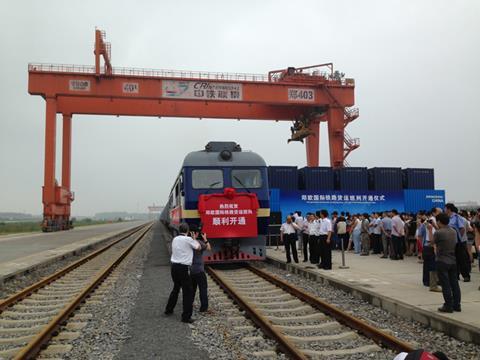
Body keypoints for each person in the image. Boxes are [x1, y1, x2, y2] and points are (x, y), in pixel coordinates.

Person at [165, 222, 201, 323]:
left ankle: (168, 309)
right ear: (188, 231)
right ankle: (186, 317)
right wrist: (193, 238)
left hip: (174, 267)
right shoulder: (189, 239)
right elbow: (198, 247)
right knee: (187, 292)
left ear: (179, 230)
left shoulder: (175, 239)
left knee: (176, 288)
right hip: (183, 268)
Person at [434, 213, 461, 313]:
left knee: (445, 284)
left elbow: (433, 242)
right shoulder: (453, 231)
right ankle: (457, 305)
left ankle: (448, 305)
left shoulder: (438, 232)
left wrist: (430, 229)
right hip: (453, 260)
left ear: (439, 221)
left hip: (442, 260)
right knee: (454, 283)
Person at [445, 203, 470, 282]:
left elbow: (462, 229)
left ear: (449, 209)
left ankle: (466, 276)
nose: (444, 210)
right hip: (451, 243)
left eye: (445, 208)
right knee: (453, 259)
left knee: (461, 259)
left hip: (458, 242)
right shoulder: (447, 218)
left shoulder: (456, 217)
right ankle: (456, 275)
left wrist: (458, 238)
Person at [190, 224, 211, 313]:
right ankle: (203, 308)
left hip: (190, 270)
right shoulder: (199, 243)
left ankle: (189, 303)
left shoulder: (186, 242)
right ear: (196, 234)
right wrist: (205, 239)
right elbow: (209, 248)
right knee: (203, 288)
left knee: (192, 288)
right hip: (199, 269)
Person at [419, 213, 442, 292]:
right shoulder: (424, 224)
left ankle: (431, 281)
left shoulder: (437, 223)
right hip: (428, 245)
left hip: (433, 245)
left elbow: (440, 232)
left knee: (432, 264)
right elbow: (420, 235)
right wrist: (422, 246)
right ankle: (428, 281)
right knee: (429, 264)